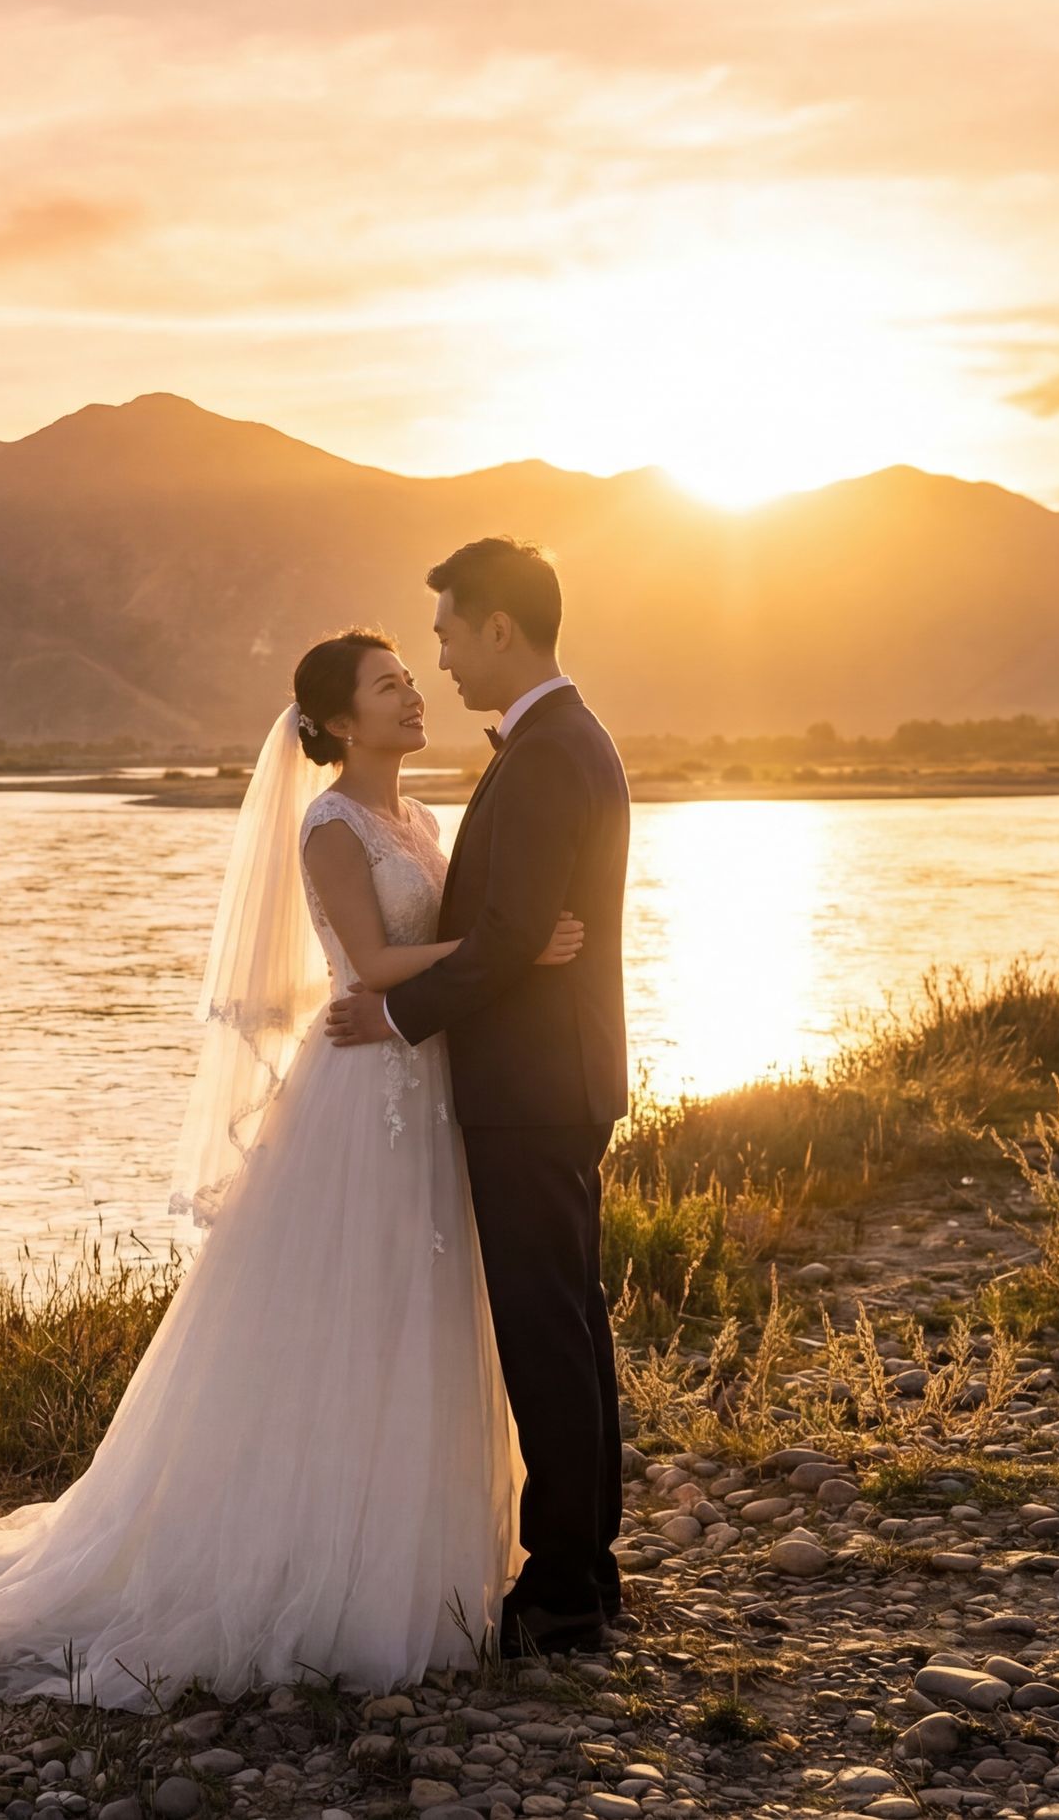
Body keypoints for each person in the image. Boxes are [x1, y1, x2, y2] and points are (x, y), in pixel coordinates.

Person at [0, 627, 586, 1704]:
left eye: (413, 678)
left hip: (427, 1080)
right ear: (336, 721)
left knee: (415, 1308)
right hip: (363, 1090)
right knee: (341, 1312)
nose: (416, 694)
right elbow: (371, 963)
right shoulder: (331, 825)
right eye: (389, 686)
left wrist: (491, 955)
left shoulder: (418, 817)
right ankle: (302, 1558)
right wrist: (508, 949)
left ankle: (413, 1554)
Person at [326, 536, 633, 1655]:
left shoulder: (549, 752)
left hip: (534, 1085)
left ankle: (562, 1591)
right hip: (550, 1079)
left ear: (500, 625)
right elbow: (510, 932)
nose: (444, 659)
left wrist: (397, 1015)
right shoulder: (556, 739)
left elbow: (508, 937)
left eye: (449, 633)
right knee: (569, 1321)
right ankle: (587, 1566)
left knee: (547, 1329)